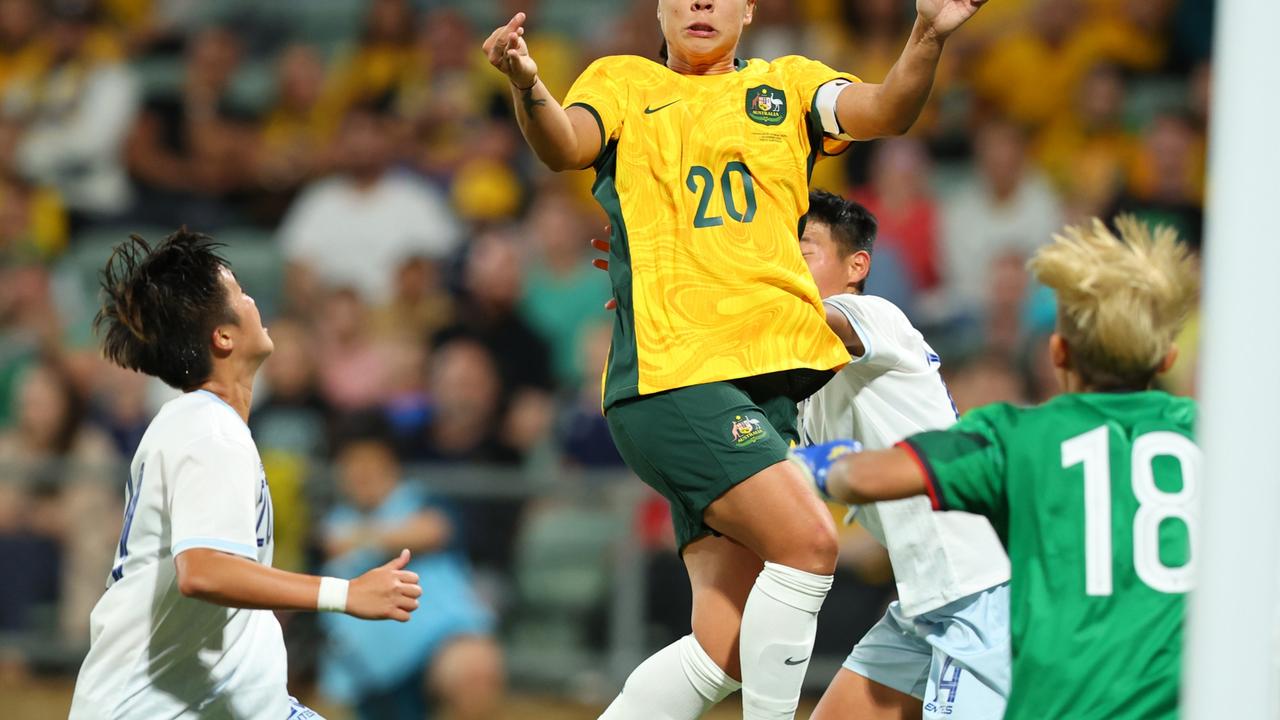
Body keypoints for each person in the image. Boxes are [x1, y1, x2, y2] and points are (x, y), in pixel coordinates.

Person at [481, 1, 992, 717]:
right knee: (810, 542)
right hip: (676, 375)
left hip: (759, 394)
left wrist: (927, 34)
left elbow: (884, 108)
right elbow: (565, 142)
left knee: (727, 646)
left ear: (750, 9)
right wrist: (529, 85)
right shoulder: (621, 81)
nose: (700, 4)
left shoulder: (789, 86)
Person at [793, 216, 1200, 719]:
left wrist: (807, 466)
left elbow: (867, 477)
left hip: (981, 601)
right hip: (1152, 655)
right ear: (1167, 358)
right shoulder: (1209, 434)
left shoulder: (1024, 433)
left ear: (1058, 353)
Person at [69, 229, 422, 719]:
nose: (253, 300)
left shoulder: (203, 424)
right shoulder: (210, 430)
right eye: (238, 292)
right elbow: (204, 570)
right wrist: (346, 593)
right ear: (224, 336)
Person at [796, 190, 1011, 720]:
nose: (786, 267)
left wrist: (709, 277)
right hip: (924, 595)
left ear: (856, 266)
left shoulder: (873, 316)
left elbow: (802, 319)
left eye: (803, 253)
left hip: (977, 587)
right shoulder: (801, 381)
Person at [319, 416, 502, 720]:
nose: (362, 474)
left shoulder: (422, 501)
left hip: (439, 645)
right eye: (352, 465)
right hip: (362, 664)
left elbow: (434, 530)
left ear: (392, 465)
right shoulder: (330, 524)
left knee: (475, 668)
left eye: (372, 463)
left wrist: (360, 539)